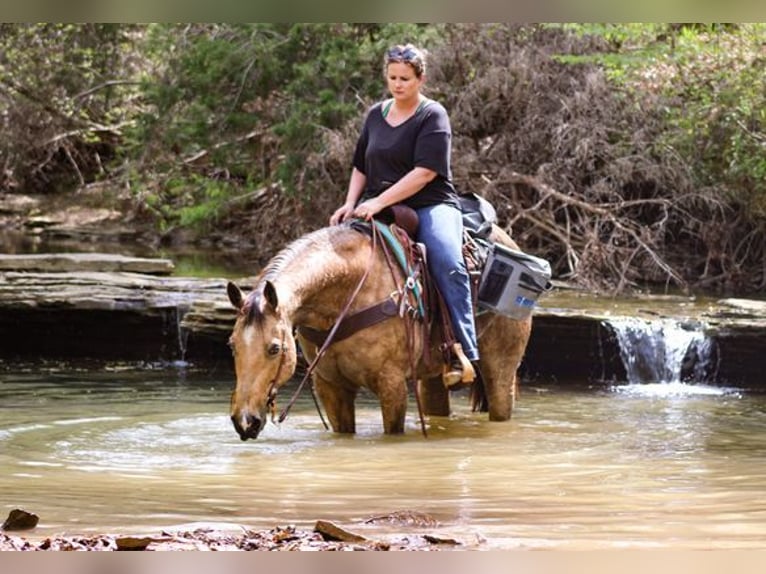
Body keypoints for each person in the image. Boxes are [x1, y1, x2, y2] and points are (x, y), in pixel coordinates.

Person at [329, 43, 479, 387]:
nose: (398, 85)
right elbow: (360, 165)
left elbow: (425, 172)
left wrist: (379, 202)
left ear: (420, 79)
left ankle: (462, 351)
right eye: (392, 77)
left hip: (430, 203)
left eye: (405, 79)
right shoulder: (375, 115)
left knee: (447, 259)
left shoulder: (433, 115)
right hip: (375, 202)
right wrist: (350, 203)